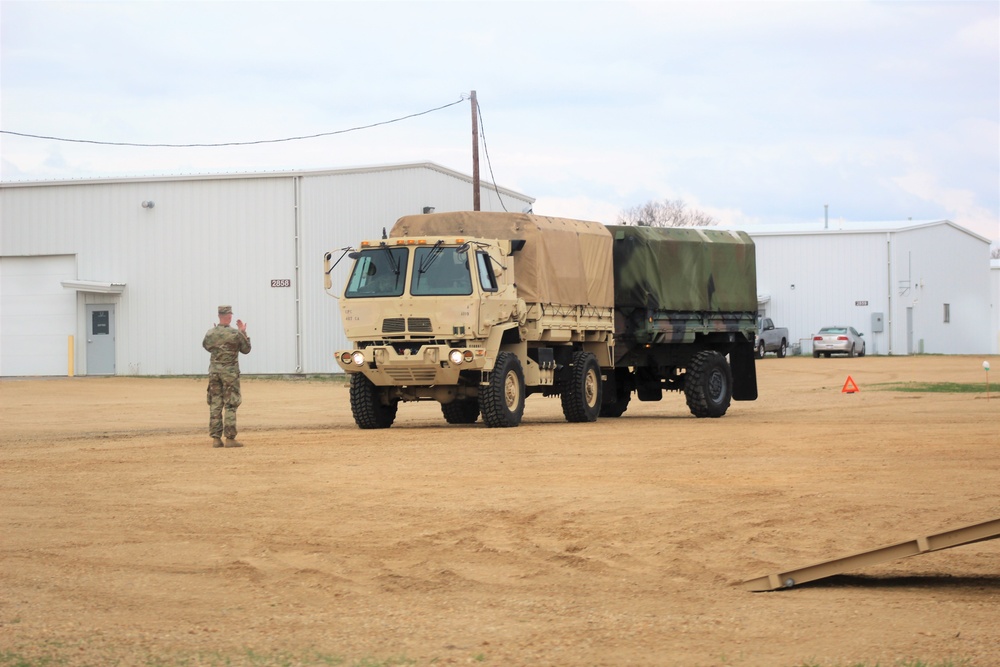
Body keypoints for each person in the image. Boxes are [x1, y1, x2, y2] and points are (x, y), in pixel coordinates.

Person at [202, 305, 252, 448]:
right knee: (231, 403)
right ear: (229, 316)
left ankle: (216, 439)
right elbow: (246, 349)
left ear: (219, 316)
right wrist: (243, 332)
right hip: (230, 373)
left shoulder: (210, 333)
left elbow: (207, 346)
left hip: (214, 372)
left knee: (215, 403)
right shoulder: (235, 334)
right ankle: (230, 438)